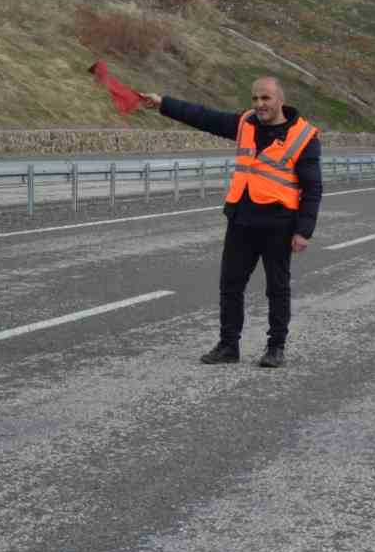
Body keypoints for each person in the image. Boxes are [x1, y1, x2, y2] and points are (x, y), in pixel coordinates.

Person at [137, 78, 322, 368]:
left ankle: (276, 348)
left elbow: (313, 189)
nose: (259, 104)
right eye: (255, 99)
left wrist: (303, 231)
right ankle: (228, 346)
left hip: (278, 223)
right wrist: (164, 103)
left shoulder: (304, 137)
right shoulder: (245, 123)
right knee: (230, 286)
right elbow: (204, 116)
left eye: (265, 99)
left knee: (277, 288)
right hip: (242, 220)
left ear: (280, 100)